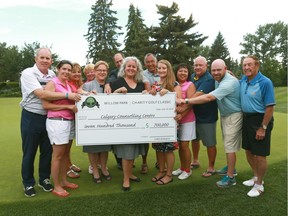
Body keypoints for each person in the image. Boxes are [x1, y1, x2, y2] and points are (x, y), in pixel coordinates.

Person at [20, 48, 81, 197]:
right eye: (42, 57)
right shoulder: (28, 73)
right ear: (36, 58)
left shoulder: (52, 74)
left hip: (47, 117)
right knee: (30, 151)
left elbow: (62, 87)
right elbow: (41, 94)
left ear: (51, 61)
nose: (45, 60)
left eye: (48, 58)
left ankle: (44, 179)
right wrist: (68, 96)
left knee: (47, 152)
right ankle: (28, 183)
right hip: (32, 116)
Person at [178, 59, 242, 187]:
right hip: (220, 115)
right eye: (214, 70)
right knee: (221, 143)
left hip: (224, 116)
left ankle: (226, 175)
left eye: (219, 69)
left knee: (224, 145)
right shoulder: (215, 79)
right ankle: (228, 167)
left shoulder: (217, 80)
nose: (216, 72)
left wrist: (184, 102)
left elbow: (206, 97)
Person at [110, 56, 149, 191]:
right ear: (124, 68)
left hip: (137, 124)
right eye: (129, 66)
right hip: (122, 124)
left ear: (137, 69)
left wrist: (146, 94)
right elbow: (108, 101)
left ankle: (130, 174)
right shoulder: (116, 82)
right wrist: (117, 91)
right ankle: (126, 179)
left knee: (133, 151)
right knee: (127, 151)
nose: (131, 68)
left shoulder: (140, 84)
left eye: (134, 66)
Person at [42, 60, 80, 198]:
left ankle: (64, 181)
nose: (67, 72)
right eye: (64, 69)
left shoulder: (67, 85)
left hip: (68, 122)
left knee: (64, 154)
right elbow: (46, 105)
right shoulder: (52, 83)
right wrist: (67, 107)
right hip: (57, 122)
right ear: (58, 69)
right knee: (57, 155)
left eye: (69, 70)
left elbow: (78, 94)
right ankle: (57, 186)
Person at [240, 55, 275, 197]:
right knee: (248, 150)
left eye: (249, 64)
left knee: (260, 154)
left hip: (260, 120)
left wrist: (263, 127)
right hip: (247, 120)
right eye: (244, 65)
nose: (246, 67)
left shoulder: (265, 82)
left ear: (257, 65)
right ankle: (255, 177)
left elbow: (270, 107)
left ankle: (260, 185)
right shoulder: (243, 80)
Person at [150, 59, 182, 185]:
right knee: (158, 148)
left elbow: (179, 101)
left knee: (168, 150)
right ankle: (161, 171)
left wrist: (169, 93)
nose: (161, 70)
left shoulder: (174, 84)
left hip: (170, 123)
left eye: (164, 68)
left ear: (168, 69)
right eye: (159, 68)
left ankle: (169, 174)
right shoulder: (156, 84)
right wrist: (149, 94)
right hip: (156, 123)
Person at [82, 61, 112, 183]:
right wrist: (87, 94)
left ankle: (104, 168)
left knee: (104, 147)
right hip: (90, 123)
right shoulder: (88, 85)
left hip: (106, 122)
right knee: (92, 148)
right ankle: (95, 170)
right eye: (99, 70)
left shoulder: (109, 85)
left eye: (104, 70)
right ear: (94, 71)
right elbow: (79, 92)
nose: (102, 72)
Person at [189, 56, 218, 177]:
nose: (198, 67)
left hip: (207, 117)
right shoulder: (192, 76)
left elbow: (197, 95)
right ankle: (195, 160)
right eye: (196, 65)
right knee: (195, 139)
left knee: (209, 143)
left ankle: (211, 167)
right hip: (193, 115)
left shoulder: (209, 79)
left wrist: (182, 103)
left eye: (200, 65)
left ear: (206, 66)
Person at [172, 63, 196, 180]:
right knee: (180, 146)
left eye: (185, 71)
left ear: (188, 74)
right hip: (177, 121)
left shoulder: (190, 85)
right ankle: (182, 167)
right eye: (180, 71)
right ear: (176, 73)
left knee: (185, 146)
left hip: (187, 120)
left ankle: (188, 170)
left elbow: (191, 103)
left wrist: (182, 114)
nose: (183, 73)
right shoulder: (174, 85)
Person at [66, 62, 83, 179]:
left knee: (68, 144)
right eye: (74, 72)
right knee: (65, 146)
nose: (77, 74)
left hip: (73, 118)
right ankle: (67, 169)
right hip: (67, 117)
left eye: (79, 71)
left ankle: (69, 164)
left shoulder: (78, 84)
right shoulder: (68, 84)